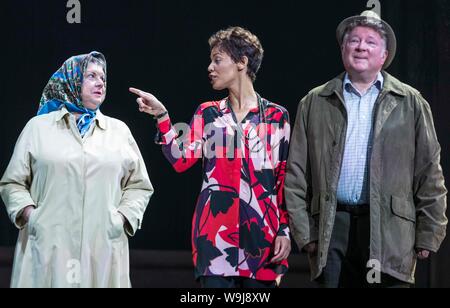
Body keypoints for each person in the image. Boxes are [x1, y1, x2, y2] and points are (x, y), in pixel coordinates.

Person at [285, 10, 447, 288]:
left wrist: (429, 233)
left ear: (384, 56)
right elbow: (296, 173)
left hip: (391, 230)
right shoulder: (314, 101)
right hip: (332, 227)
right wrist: (304, 232)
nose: (361, 46)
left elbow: (429, 173)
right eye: (354, 40)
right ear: (343, 49)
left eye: (370, 42)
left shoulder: (411, 102)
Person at [130, 26, 291, 288]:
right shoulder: (208, 114)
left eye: (217, 60)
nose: (210, 67)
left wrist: (284, 230)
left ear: (242, 62)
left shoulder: (276, 117)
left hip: (262, 243)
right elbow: (180, 160)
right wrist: (162, 117)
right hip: (214, 243)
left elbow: (282, 179)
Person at [0, 51, 154, 288]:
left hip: (101, 246)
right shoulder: (38, 128)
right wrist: (33, 217)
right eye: (91, 76)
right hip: (48, 245)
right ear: (71, 81)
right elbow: (13, 182)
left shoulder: (119, 131)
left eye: (102, 77)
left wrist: (121, 219)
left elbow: (139, 185)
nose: (100, 82)